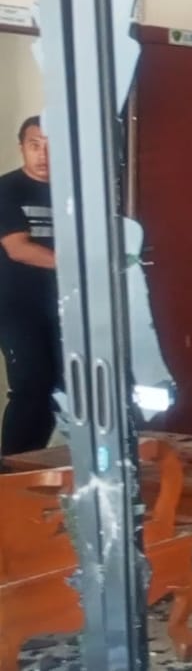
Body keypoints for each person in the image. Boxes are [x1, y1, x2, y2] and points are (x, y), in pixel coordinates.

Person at [0, 116, 60, 456]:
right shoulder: (7, 189)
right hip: (17, 308)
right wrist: (83, 269)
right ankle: (11, 471)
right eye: (35, 145)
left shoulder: (74, 192)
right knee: (31, 387)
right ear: (21, 147)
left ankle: (37, 466)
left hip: (63, 305)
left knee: (65, 388)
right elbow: (18, 249)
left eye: (51, 146)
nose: (43, 155)